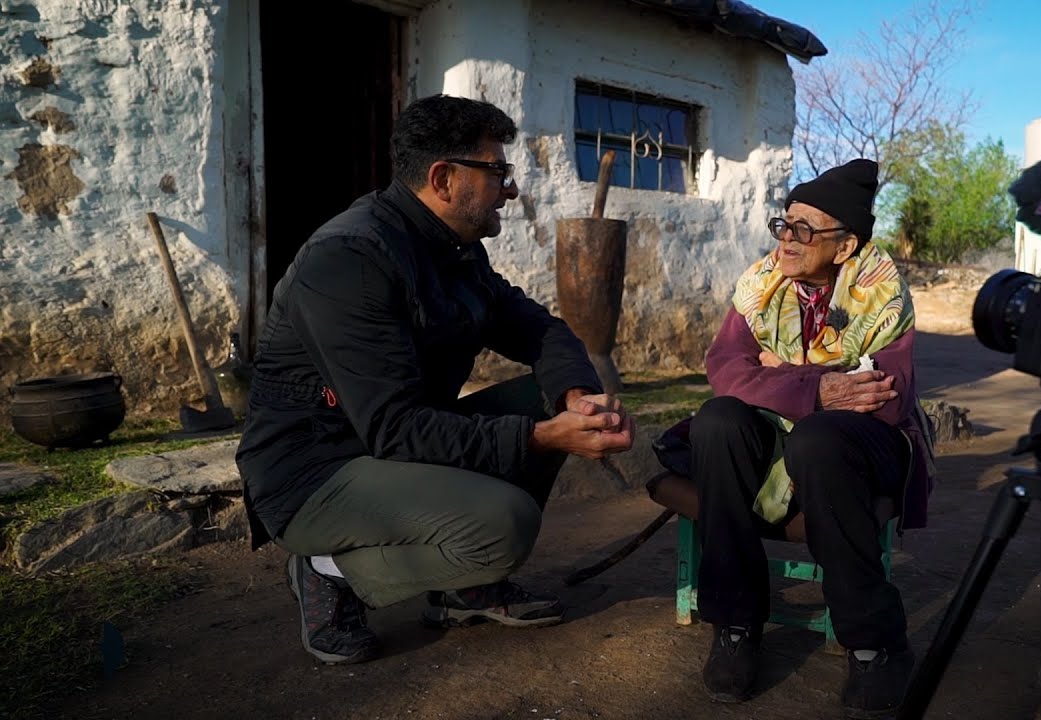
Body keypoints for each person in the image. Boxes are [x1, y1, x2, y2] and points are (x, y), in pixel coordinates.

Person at [235, 94, 634, 666]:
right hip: (317, 469)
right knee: (505, 526)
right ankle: (327, 567)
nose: (511, 188)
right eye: (497, 172)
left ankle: (463, 588)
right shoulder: (351, 259)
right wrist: (544, 437)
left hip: (390, 445)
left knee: (542, 399)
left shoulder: (452, 248)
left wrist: (576, 397)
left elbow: (536, 327)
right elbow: (395, 428)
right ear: (443, 178)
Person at [686, 158, 935, 718]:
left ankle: (875, 643)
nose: (786, 242)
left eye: (804, 230)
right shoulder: (761, 287)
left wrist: (778, 376)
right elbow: (726, 370)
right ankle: (734, 623)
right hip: (784, 430)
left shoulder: (881, 293)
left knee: (819, 440)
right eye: (784, 225)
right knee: (718, 421)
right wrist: (818, 386)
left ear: (844, 247)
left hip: (868, 443)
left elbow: (884, 399)